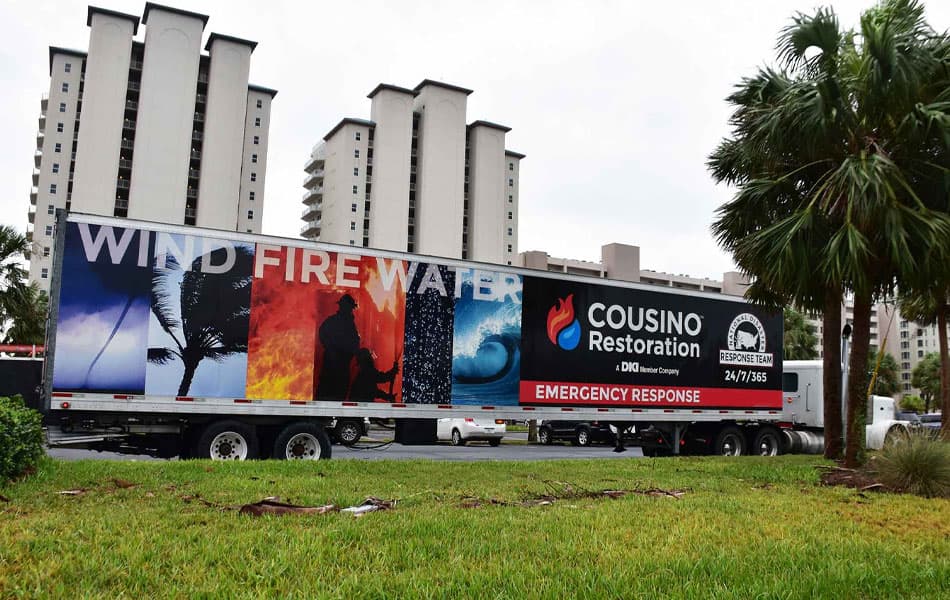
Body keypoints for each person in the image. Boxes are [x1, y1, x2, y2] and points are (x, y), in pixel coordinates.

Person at [314, 294, 360, 401]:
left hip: (341, 366)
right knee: (330, 393)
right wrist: (331, 349)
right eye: (349, 307)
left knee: (335, 393)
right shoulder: (336, 322)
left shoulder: (348, 324)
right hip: (334, 366)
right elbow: (323, 334)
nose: (350, 310)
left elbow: (354, 343)